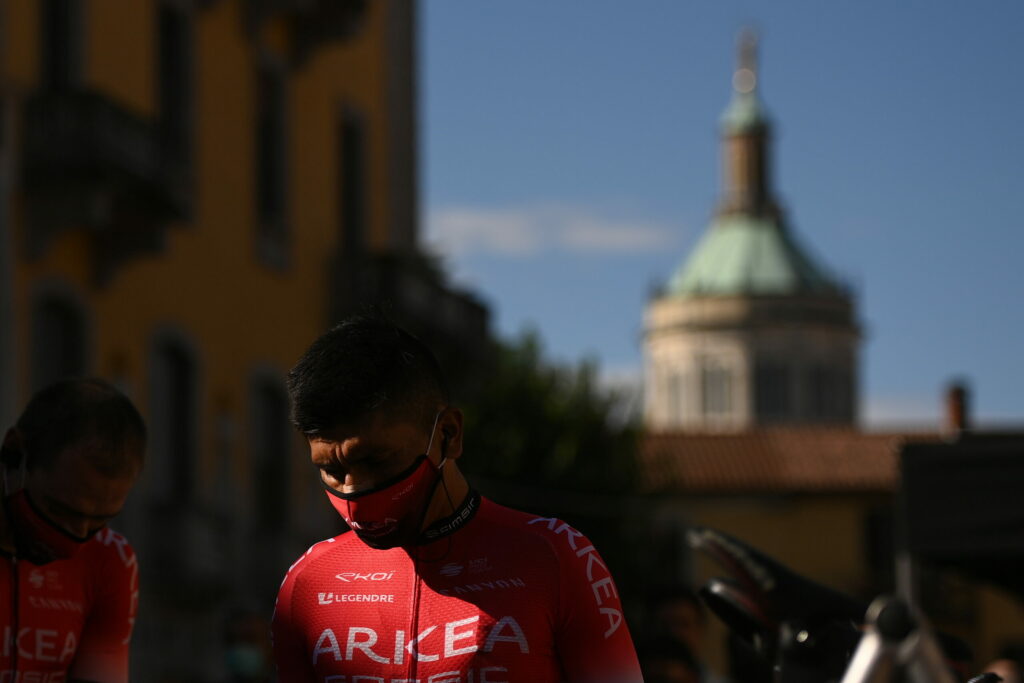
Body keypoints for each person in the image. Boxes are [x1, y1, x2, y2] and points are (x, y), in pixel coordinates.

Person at [272, 316, 643, 682]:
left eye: (375, 461)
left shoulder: (555, 556)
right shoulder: (309, 582)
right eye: (331, 471)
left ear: (448, 434)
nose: (353, 492)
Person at [1, 378, 145, 682]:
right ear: (14, 455)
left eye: (98, 521)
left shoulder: (109, 559)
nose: (75, 541)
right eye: (59, 512)